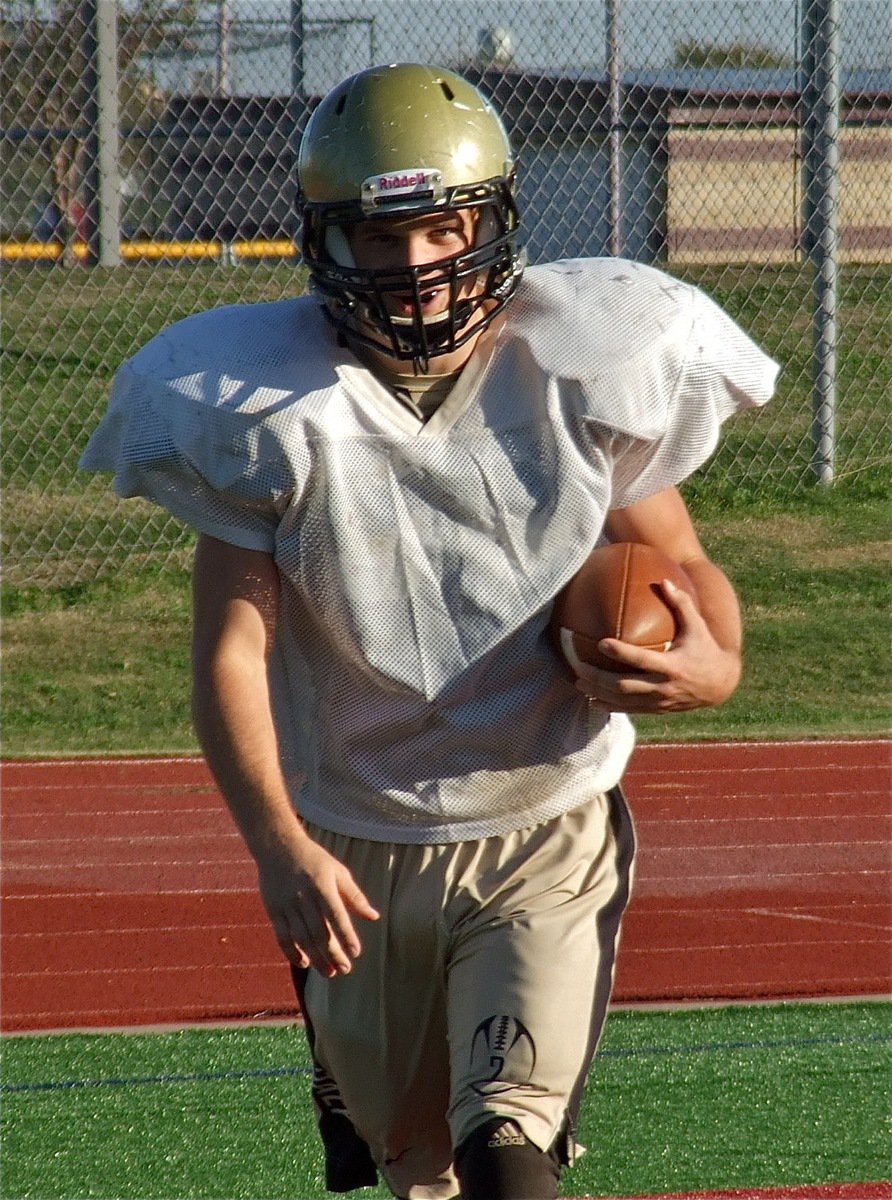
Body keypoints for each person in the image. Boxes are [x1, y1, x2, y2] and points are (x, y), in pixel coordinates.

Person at [81, 63, 778, 1200]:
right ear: (324, 242)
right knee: (418, 1173)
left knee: (506, 1152)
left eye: (445, 225)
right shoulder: (264, 404)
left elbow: (685, 562)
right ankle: (343, 1071)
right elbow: (233, 650)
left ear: (496, 220)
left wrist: (717, 656)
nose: (416, 265)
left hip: (544, 825)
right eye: (380, 235)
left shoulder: (580, 359)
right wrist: (277, 846)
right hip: (360, 836)